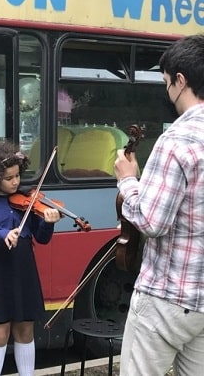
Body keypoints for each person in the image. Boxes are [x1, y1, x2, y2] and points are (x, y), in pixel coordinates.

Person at [114, 34, 204, 376]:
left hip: (167, 296)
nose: (167, 91)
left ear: (181, 81)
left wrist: (127, 180)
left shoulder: (176, 140)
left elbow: (151, 221)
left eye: (167, 82)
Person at [0, 141, 61, 376]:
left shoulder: (27, 201)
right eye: (9, 178)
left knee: (25, 331)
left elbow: (42, 238)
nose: (16, 182)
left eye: (17, 176)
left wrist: (48, 223)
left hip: (23, 271)